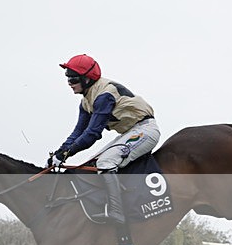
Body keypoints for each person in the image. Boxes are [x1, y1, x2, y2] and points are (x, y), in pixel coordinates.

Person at [49, 54, 160, 223]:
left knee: (105, 163)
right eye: (67, 79)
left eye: (73, 79)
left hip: (146, 130)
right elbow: (78, 132)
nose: (69, 84)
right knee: (93, 163)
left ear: (87, 79)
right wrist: (59, 152)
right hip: (131, 132)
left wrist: (66, 154)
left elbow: (92, 134)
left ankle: (117, 211)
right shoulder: (86, 101)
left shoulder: (104, 96)